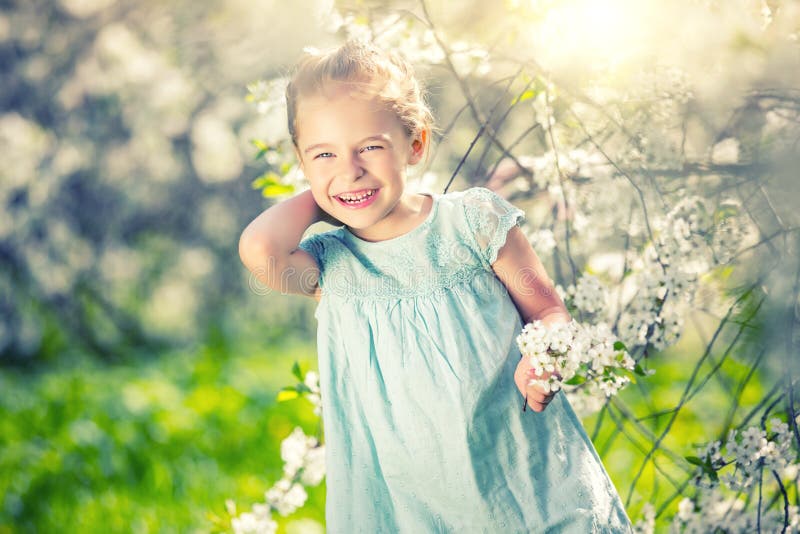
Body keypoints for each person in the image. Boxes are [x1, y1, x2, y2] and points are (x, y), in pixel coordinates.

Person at [238, 39, 634, 533]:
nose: (350, 167)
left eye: (370, 148)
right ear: (301, 161)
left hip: (520, 474)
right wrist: (328, 191)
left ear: (416, 144)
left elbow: (548, 311)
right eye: (323, 153)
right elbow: (260, 251)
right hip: (409, 502)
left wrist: (545, 355)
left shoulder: (473, 223)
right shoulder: (333, 265)